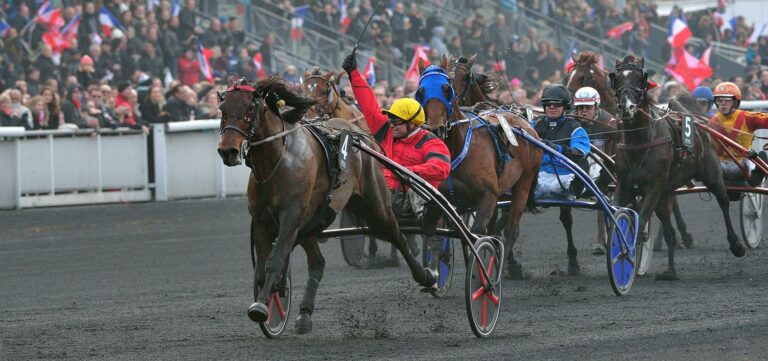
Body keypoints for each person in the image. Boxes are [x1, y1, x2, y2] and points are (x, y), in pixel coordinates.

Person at [342, 51, 450, 263]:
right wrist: (353, 73)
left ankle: (427, 218)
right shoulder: (386, 132)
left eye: (397, 121)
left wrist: (410, 172)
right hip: (384, 196)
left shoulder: (431, 142)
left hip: (411, 197)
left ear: (412, 123)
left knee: (421, 191)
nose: (391, 124)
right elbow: (369, 104)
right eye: (391, 120)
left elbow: (441, 168)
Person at [573, 86, 617, 255]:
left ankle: (601, 238)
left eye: (587, 107)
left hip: (603, 164)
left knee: (601, 188)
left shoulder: (608, 122)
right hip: (579, 163)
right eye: (580, 108)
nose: (583, 111)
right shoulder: (571, 122)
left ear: (596, 107)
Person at [533, 84, 590, 200]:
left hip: (564, 179)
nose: (552, 107)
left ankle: (577, 190)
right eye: (548, 104)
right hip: (538, 179)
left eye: (557, 104)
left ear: (565, 107)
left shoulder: (575, 128)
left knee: (583, 162)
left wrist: (556, 149)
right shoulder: (534, 124)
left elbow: (580, 152)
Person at [708, 82, 768, 186]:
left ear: (735, 102)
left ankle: (757, 175)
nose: (722, 103)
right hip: (719, 168)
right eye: (719, 100)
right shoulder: (711, 122)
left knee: (761, 156)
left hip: (740, 168)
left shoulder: (748, 118)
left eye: (727, 100)